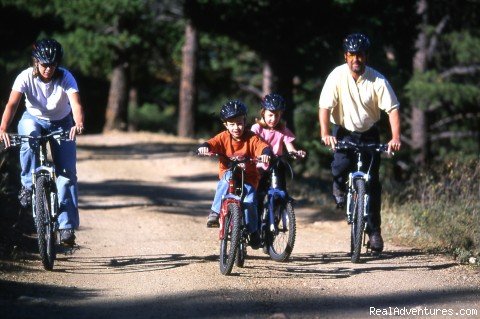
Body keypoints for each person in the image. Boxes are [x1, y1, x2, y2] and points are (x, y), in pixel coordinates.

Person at [318, 33, 401, 252]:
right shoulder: (336, 76)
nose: (356, 59)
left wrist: (395, 138)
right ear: (346, 56)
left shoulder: (378, 80)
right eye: (352, 55)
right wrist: (326, 133)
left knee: (372, 184)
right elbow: (325, 107)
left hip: (369, 133)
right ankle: (338, 188)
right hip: (344, 132)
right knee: (340, 165)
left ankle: (374, 232)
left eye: (360, 55)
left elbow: (392, 109)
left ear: (366, 56)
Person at [0, 39, 85, 246]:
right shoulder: (26, 77)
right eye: (44, 64)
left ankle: (66, 227)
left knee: (66, 174)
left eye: (52, 64)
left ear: (57, 64)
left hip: (62, 122)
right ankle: (28, 186)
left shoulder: (66, 77)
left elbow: (76, 103)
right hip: (33, 119)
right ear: (36, 62)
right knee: (30, 138)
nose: (48, 69)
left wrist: (79, 123)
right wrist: (3, 128)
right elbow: (12, 104)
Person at [197, 100, 271, 248]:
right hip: (229, 173)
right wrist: (204, 147)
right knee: (224, 182)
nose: (236, 127)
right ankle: (215, 212)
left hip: (248, 177)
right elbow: (211, 143)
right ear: (226, 125)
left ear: (244, 122)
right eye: (232, 124)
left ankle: (253, 231)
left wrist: (265, 154)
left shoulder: (252, 137)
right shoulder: (223, 137)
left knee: (250, 202)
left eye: (239, 123)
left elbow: (263, 147)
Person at [251, 93, 306, 196]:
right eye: (270, 115)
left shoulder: (283, 129)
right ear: (263, 113)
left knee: (282, 192)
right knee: (259, 194)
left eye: (277, 115)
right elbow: (253, 145)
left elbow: (290, 147)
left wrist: (296, 153)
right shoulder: (256, 128)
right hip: (260, 165)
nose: (274, 119)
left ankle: (283, 206)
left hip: (276, 164)